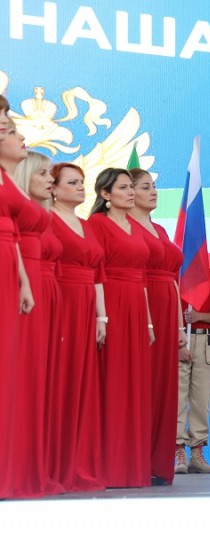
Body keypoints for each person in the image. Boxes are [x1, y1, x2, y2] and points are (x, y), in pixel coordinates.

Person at [89, 168, 154, 488]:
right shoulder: (96, 225)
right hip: (111, 303)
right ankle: (108, 466)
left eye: (132, 187)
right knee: (111, 381)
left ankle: (131, 467)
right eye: (124, 188)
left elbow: (142, 278)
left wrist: (149, 320)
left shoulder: (135, 226)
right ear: (105, 194)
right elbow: (95, 272)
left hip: (136, 308)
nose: (131, 193)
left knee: (134, 385)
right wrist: (100, 316)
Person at [48, 162, 105, 493]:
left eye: (82, 181)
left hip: (87, 306)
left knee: (82, 382)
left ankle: (78, 463)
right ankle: (55, 463)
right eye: (72, 182)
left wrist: (101, 317)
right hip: (62, 301)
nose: (81, 187)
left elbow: (98, 274)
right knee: (61, 380)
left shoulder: (86, 225)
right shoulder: (47, 220)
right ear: (54, 188)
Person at [11, 149, 64, 497]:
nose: (50, 180)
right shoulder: (17, 208)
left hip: (46, 292)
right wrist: (25, 285)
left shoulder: (43, 214)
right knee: (23, 376)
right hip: (25, 288)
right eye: (42, 173)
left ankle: (33, 465)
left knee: (39, 379)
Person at [129, 168, 185, 485]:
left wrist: (179, 325)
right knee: (143, 385)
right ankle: (134, 460)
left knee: (164, 387)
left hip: (167, 311)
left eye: (154, 186)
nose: (153, 192)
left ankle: (157, 463)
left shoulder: (161, 229)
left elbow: (173, 280)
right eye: (144, 187)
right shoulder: (125, 228)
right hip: (143, 308)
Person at [0, 96, 34, 499]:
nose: (4, 123)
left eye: (5, 117)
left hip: (9, 266)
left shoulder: (6, 176)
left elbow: (14, 234)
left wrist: (23, 281)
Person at [176, 268, 210, 474]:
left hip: (204, 340)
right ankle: (178, 452)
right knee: (178, 399)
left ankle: (197, 453)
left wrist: (198, 316)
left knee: (202, 400)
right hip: (180, 338)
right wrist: (179, 343)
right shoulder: (177, 274)